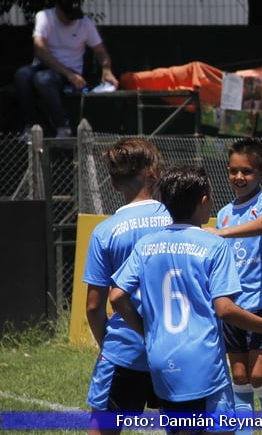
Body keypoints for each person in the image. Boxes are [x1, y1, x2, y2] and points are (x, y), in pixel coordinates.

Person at [108, 165, 262, 434]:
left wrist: (146, 331)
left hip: (161, 359)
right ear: (204, 201)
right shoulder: (214, 245)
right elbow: (225, 309)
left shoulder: (146, 245)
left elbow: (116, 296)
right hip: (203, 362)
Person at [83, 138, 172, 435]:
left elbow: (94, 307)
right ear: (154, 172)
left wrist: (107, 345)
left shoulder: (104, 232)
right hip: (176, 346)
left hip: (125, 349)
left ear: (114, 183)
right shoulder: (177, 219)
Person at [205, 138, 262, 435]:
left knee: (259, 375)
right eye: (233, 171)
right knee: (239, 376)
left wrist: (221, 232)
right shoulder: (225, 211)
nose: (239, 177)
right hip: (235, 307)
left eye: (247, 172)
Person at [14, 0, 118, 141]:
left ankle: (63, 126)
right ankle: (30, 127)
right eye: (67, 14)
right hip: (52, 69)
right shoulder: (44, 17)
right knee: (22, 75)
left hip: (69, 72)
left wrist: (106, 69)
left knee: (43, 79)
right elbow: (40, 50)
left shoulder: (85, 24)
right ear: (58, 9)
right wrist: (68, 74)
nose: (71, 19)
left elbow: (100, 51)